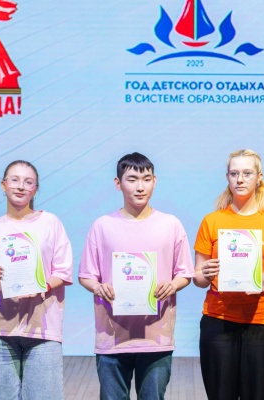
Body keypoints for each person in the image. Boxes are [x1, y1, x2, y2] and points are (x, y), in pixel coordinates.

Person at [78, 152, 194, 400]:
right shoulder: (102, 226)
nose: (140, 187)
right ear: (118, 183)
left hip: (156, 336)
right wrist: (98, 288)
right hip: (112, 337)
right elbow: (86, 275)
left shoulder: (171, 224)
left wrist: (173, 285)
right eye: (132, 179)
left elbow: (185, 272)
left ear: (155, 181)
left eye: (146, 179)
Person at [194, 149, 264, 400]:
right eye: (234, 173)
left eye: (247, 173)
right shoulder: (211, 221)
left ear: (259, 177)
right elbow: (198, 278)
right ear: (227, 177)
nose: (240, 179)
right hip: (218, 319)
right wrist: (205, 273)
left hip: (261, 322)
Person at [0, 160, 73, 400]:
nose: (20, 186)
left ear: (35, 189)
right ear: (3, 185)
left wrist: (43, 286)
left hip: (43, 329)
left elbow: (63, 270)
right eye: (14, 180)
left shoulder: (51, 223)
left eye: (28, 182)